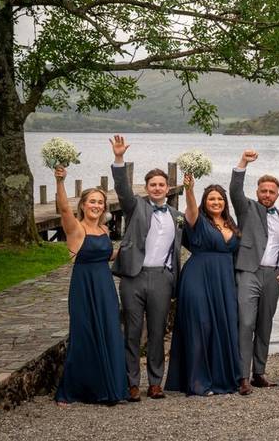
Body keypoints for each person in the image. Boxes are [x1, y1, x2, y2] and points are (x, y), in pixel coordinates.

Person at [109, 135, 183, 402]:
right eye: (152, 184)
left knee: (157, 332)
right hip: (134, 277)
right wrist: (119, 158)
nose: (157, 188)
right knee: (131, 330)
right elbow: (121, 188)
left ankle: (154, 383)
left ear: (168, 187)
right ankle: (131, 383)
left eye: (161, 184)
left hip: (162, 278)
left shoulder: (177, 217)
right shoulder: (135, 206)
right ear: (147, 187)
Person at [53, 166, 127, 405]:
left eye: (100, 202)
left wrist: (129, 249)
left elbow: (106, 256)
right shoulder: (76, 229)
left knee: (108, 330)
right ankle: (78, 388)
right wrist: (60, 182)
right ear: (83, 205)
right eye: (92, 201)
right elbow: (64, 208)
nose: (97, 206)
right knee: (84, 332)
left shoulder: (104, 229)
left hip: (105, 286)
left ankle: (109, 385)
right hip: (84, 286)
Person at [165, 175, 241, 396]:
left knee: (221, 326)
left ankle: (221, 378)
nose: (216, 202)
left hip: (223, 281)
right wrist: (189, 189)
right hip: (197, 277)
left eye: (219, 199)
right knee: (201, 325)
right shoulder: (197, 220)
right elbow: (189, 209)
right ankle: (197, 382)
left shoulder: (231, 225)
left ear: (225, 202)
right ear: (204, 202)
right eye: (211, 199)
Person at [230, 151, 279, 394]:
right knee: (246, 323)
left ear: (277, 194)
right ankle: (242, 376)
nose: (267, 195)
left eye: (271, 192)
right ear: (257, 192)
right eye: (263, 191)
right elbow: (235, 191)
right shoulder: (247, 208)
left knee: (264, 325)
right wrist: (243, 164)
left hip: (272, 277)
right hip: (248, 272)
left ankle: (259, 372)